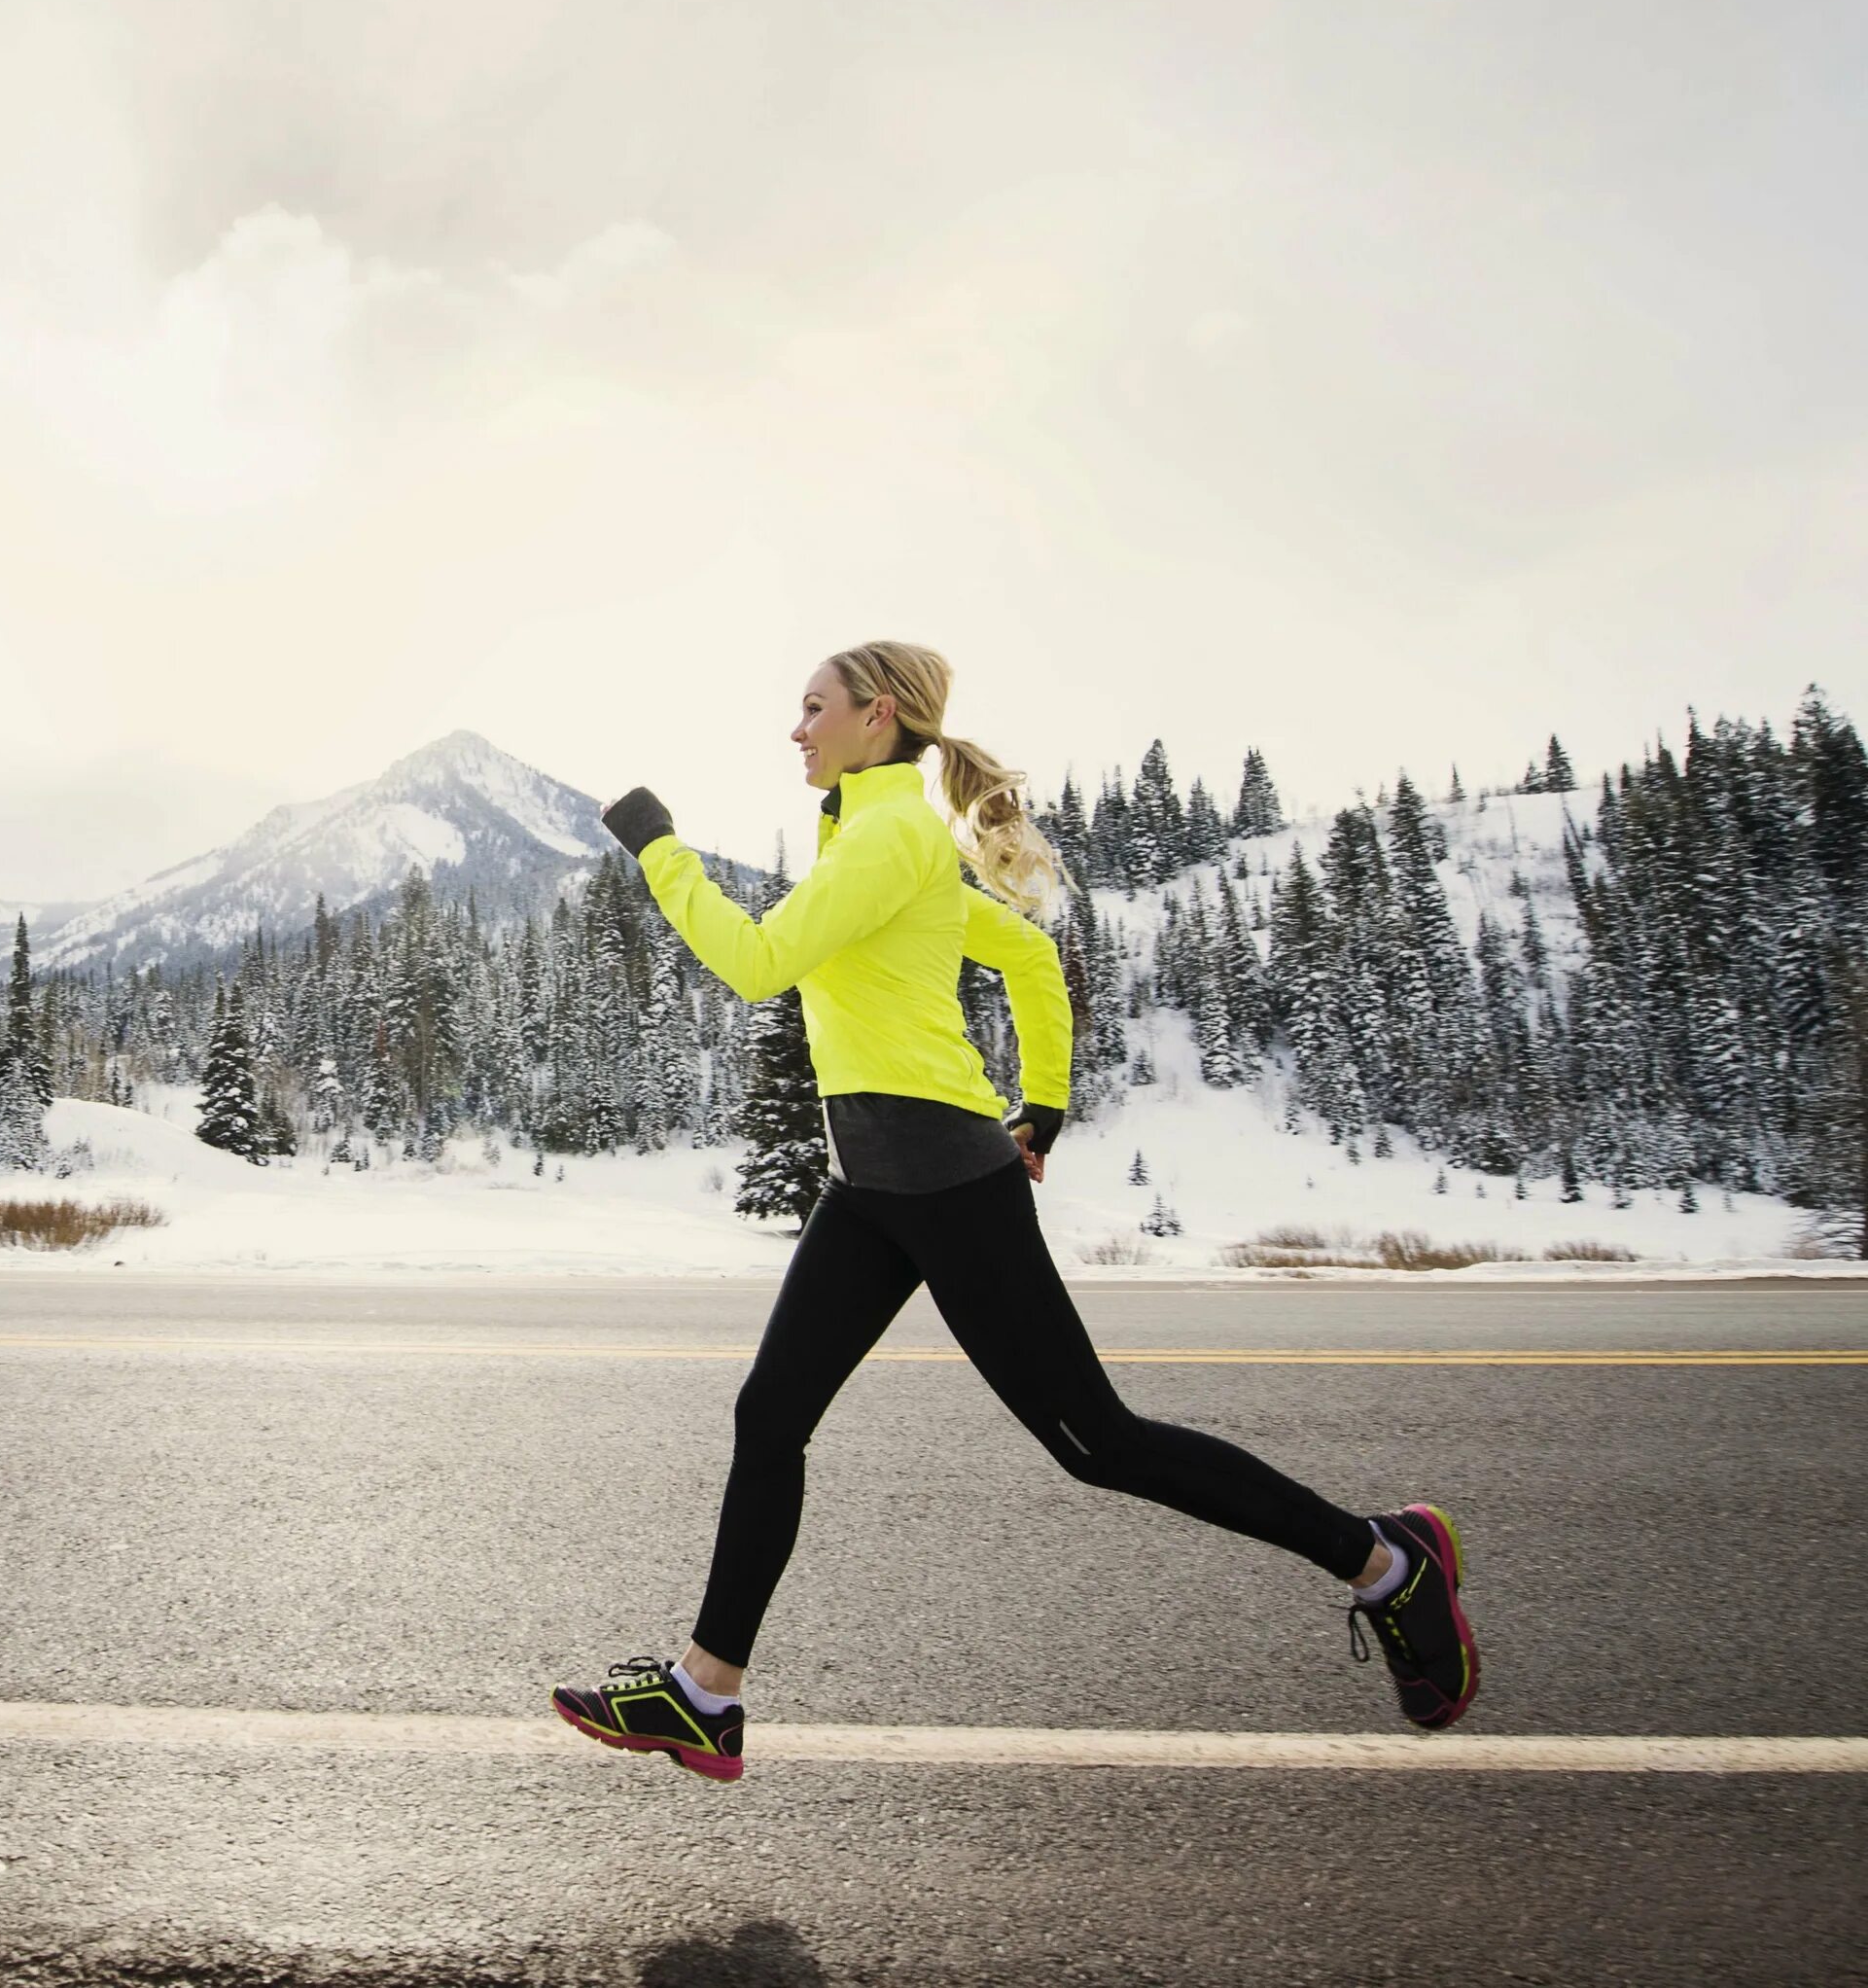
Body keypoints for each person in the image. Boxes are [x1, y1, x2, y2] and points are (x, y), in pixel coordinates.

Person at [549, 640, 1478, 1784]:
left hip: (945, 1183)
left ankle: (1385, 1563)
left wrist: (659, 847)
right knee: (771, 1415)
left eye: (813, 707)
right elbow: (1030, 954)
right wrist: (1043, 1103)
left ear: (876, 717)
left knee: (1099, 1443)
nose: (796, 728)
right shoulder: (873, 838)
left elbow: (756, 962)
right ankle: (707, 1693)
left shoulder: (889, 836)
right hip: (871, 1186)